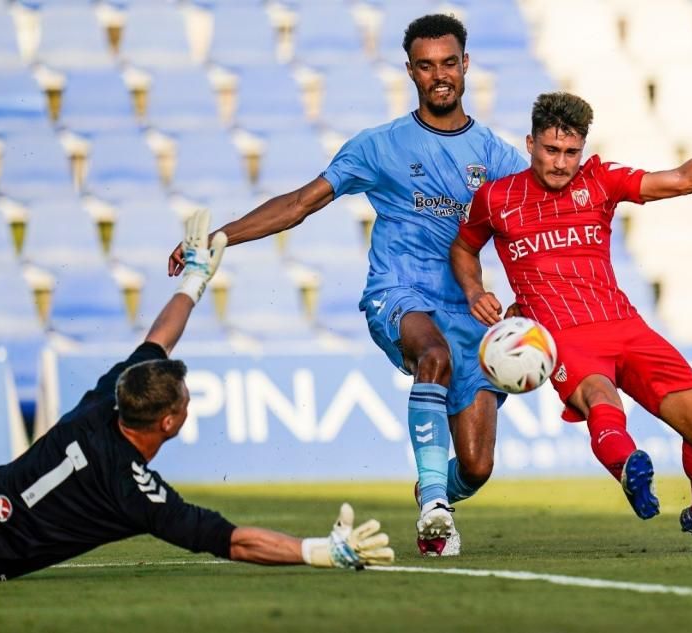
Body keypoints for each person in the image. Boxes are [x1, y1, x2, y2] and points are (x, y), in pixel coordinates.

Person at [167, 15, 526, 557]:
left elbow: (535, 226)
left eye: (448, 63)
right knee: (431, 354)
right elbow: (299, 204)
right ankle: (433, 507)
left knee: (476, 467)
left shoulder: (497, 158)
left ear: (466, 65)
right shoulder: (379, 146)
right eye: (426, 66)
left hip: (466, 312)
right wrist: (222, 236)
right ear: (410, 72)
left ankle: (439, 493)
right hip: (398, 294)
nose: (439, 75)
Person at [0, 211, 394, 580]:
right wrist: (318, 551)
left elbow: (159, 340)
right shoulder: (133, 493)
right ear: (169, 422)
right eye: (186, 400)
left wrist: (195, 279)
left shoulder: (105, 400)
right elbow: (231, 541)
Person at [451, 92, 692, 553]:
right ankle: (630, 469)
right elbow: (463, 249)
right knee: (601, 400)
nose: (561, 163)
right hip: (560, 335)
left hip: (625, 325)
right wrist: (475, 291)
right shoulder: (496, 199)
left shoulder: (599, 181)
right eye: (551, 150)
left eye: (570, 152)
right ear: (530, 143)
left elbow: (681, 179)